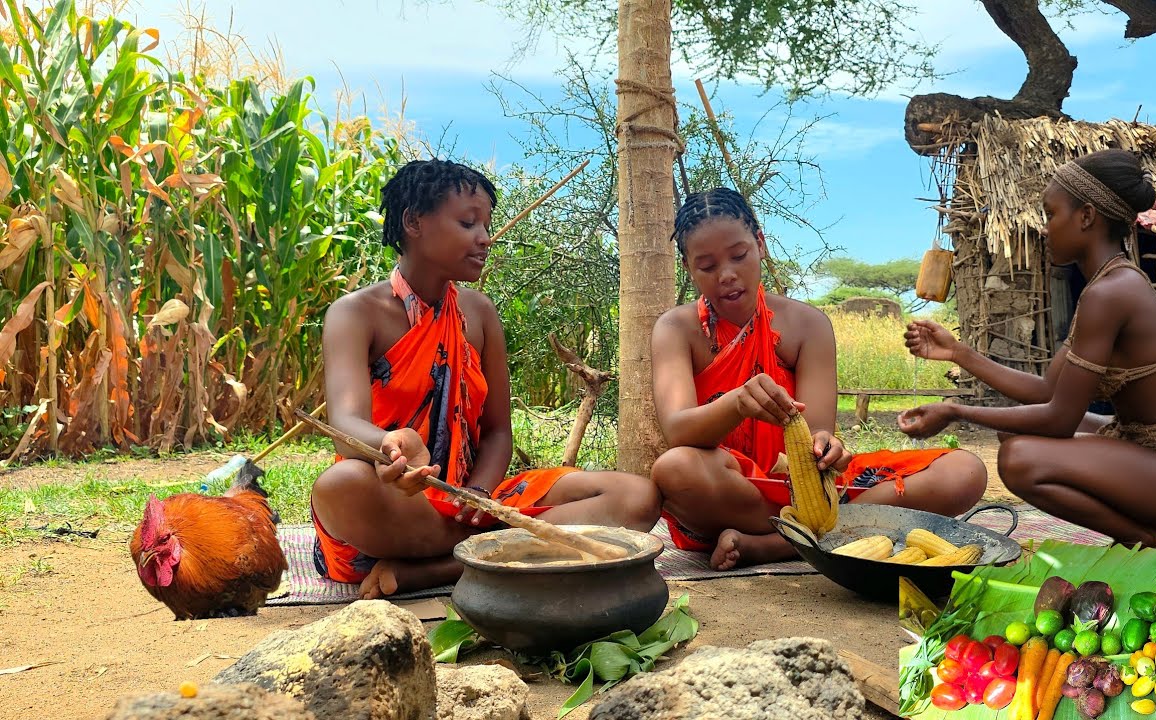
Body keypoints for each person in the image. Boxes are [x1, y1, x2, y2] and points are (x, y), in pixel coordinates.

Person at [311, 159, 661, 599]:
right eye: (468, 222)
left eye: (487, 224)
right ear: (414, 222)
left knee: (637, 496)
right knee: (339, 486)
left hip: (473, 502)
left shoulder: (479, 313)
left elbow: (497, 432)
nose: (485, 237)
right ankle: (497, 552)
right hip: (399, 502)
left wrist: (476, 494)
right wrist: (392, 446)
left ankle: (442, 568)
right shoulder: (355, 314)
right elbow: (345, 426)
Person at [899, 149, 1156, 548]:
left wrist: (954, 411)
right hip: (1148, 449)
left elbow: (1058, 418)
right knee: (1013, 431)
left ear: (1087, 216)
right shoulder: (1108, 284)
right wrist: (958, 353)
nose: (1045, 228)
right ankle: (1141, 539)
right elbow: (1047, 392)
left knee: (1020, 459)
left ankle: (1146, 544)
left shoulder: (1110, 292)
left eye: (1051, 214)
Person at [650, 187, 988, 571]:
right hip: (734, 489)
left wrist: (828, 447)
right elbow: (677, 431)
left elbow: (818, 434)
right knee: (675, 470)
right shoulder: (675, 329)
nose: (727, 275)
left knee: (964, 472)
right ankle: (823, 536)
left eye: (739, 255)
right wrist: (737, 403)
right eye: (707, 266)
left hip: (811, 490)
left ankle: (778, 544)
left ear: (760, 244)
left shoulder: (807, 324)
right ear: (689, 268)